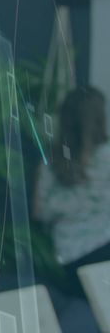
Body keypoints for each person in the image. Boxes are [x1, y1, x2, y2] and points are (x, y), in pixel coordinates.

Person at [34, 86, 110, 294]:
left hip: (70, 259)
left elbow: (39, 213)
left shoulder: (50, 163)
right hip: (105, 255)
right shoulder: (107, 155)